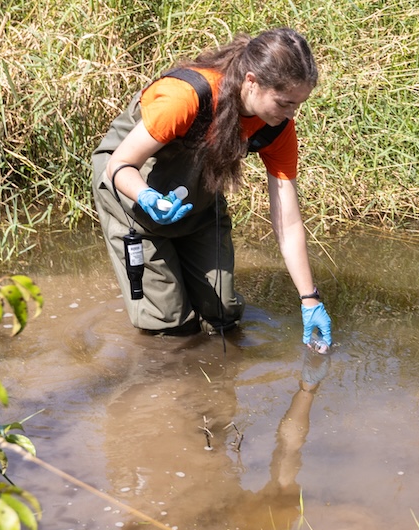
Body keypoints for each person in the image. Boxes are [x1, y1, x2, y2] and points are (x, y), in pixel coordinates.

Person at [91, 27, 332, 348]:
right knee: (169, 325)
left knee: (223, 314)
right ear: (251, 81)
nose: (291, 115)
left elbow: (287, 222)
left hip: (197, 197)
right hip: (131, 190)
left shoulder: (278, 129)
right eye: (285, 102)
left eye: (297, 105)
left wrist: (309, 299)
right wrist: (145, 196)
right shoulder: (186, 97)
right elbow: (120, 165)